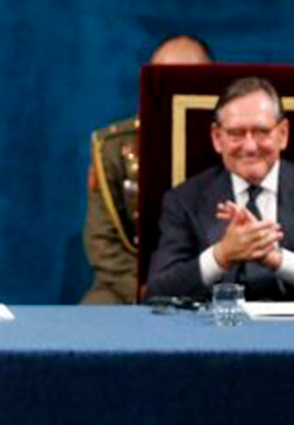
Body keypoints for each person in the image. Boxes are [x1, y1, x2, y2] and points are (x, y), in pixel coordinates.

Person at [82, 34, 213, 303]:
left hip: (214, 281)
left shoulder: (235, 143)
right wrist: (149, 290)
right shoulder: (114, 148)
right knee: (89, 320)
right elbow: (102, 243)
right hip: (131, 286)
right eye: (162, 80)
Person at [147, 76, 294, 300]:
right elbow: (159, 291)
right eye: (236, 133)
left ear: (283, 134)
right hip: (214, 330)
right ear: (217, 137)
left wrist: (276, 258)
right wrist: (221, 255)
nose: (250, 146)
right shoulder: (184, 200)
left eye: (262, 132)